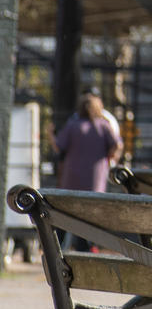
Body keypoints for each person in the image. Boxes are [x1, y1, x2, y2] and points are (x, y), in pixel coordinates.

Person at [54, 90, 123, 250]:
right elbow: (116, 145)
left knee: (66, 213)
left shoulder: (73, 125)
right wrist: (111, 157)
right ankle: (86, 247)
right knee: (88, 216)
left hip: (71, 180)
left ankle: (59, 246)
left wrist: (50, 134)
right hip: (94, 179)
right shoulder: (104, 126)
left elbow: (59, 146)